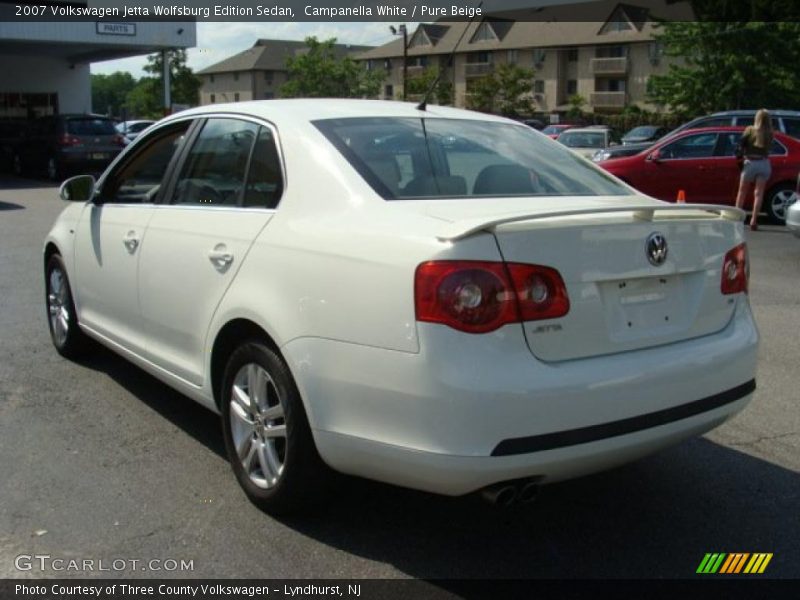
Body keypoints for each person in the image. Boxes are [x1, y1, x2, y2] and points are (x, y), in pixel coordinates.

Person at [734, 109, 773, 231]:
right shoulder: (770, 133)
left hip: (750, 162)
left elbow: (740, 145)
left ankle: (737, 218)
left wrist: (740, 158)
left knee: (742, 192)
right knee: (758, 194)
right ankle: (754, 220)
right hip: (763, 163)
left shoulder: (750, 130)